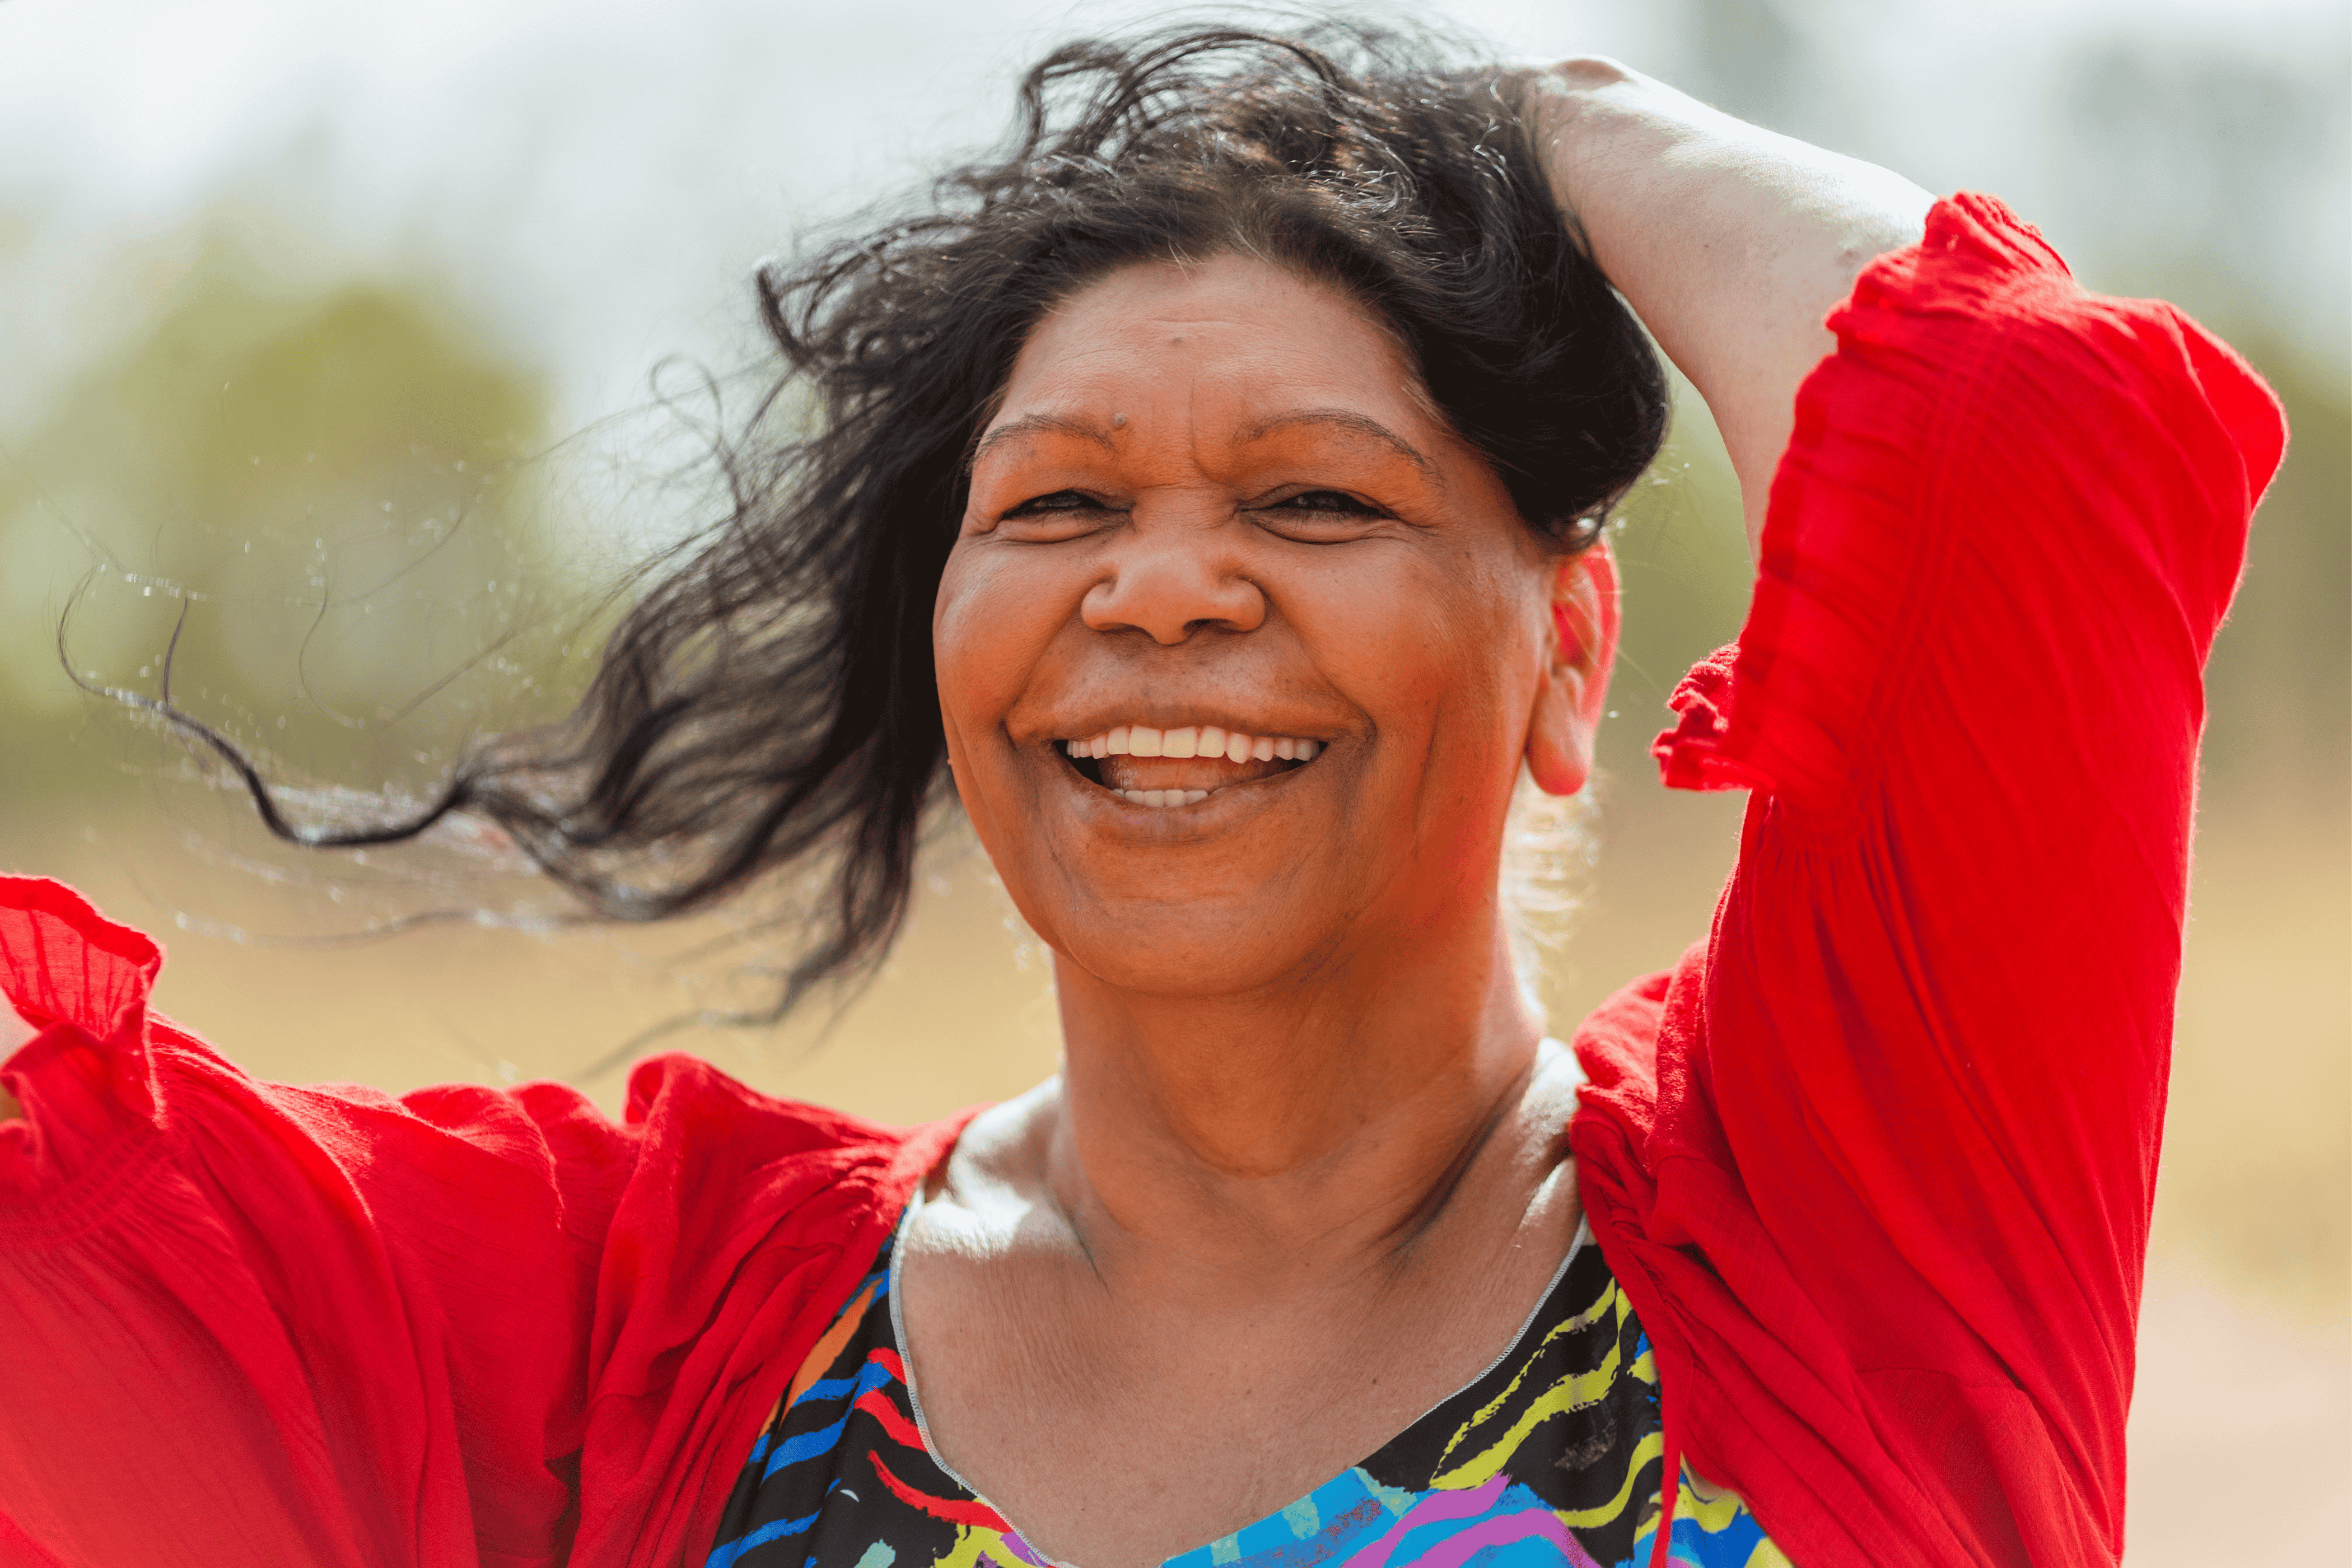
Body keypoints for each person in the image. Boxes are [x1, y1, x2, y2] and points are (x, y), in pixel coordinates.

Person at [0, 24, 2284, 1568]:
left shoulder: (1849, 1239)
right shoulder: (637, 1331)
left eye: (1314, 502)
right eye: (1056, 504)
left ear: (1570, 654)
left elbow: (2034, 437)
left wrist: (1538, 115)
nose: (1164, 588)